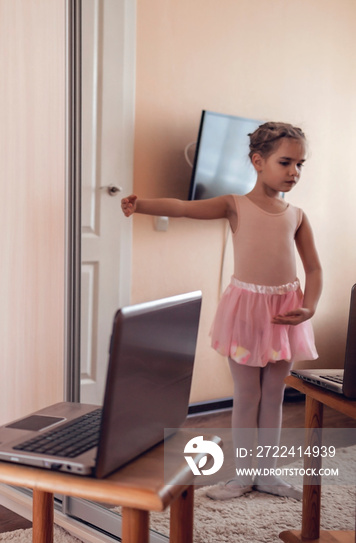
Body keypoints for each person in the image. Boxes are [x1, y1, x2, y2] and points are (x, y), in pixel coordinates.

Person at [121, 122, 321, 500]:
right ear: (258, 161)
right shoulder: (235, 205)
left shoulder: (297, 216)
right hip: (246, 313)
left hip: (285, 314)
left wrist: (309, 306)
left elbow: (314, 268)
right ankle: (244, 476)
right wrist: (141, 204)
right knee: (247, 395)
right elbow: (184, 207)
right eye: (286, 162)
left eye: (300, 164)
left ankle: (268, 474)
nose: (294, 171)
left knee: (275, 393)